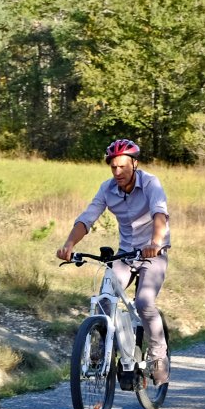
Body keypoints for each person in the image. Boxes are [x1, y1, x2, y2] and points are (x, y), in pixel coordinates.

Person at [56, 139, 171, 386]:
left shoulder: (151, 183)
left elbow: (159, 213)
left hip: (153, 253)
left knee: (144, 302)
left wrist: (155, 241)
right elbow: (87, 218)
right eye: (113, 168)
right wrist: (69, 245)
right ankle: (102, 351)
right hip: (125, 254)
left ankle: (158, 356)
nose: (117, 172)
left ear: (135, 164)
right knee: (104, 300)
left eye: (122, 167)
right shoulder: (107, 188)